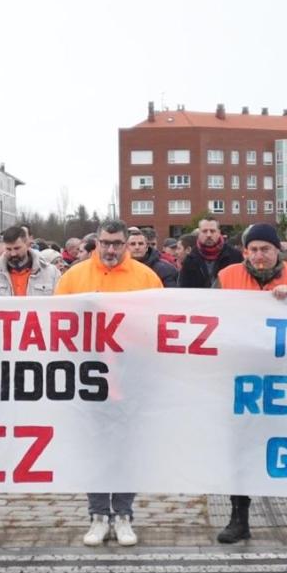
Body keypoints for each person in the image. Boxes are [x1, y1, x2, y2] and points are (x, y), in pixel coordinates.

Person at [213, 223, 287, 546]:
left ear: (279, 250)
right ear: (245, 250)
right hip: (242, 379)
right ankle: (239, 518)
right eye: (253, 249)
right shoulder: (228, 277)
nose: (259, 255)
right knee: (241, 449)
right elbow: (213, 318)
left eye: (266, 249)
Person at [54, 220, 163, 547]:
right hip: (89, 377)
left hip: (131, 377)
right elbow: (58, 325)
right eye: (106, 243)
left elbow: (159, 327)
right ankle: (99, 515)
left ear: (128, 244)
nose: (111, 249)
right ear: (96, 243)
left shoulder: (146, 278)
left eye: (117, 243)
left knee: (127, 450)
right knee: (96, 448)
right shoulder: (74, 277)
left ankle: (125, 514)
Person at [0, 225, 60, 296]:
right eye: (8, 249)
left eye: (17, 248)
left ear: (27, 245)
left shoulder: (51, 273)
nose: (13, 254)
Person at [179, 216, 242, 289]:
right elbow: (185, 289)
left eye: (212, 231)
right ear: (199, 233)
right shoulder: (190, 259)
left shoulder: (235, 256)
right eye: (204, 231)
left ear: (218, 232)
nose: (208, 235)